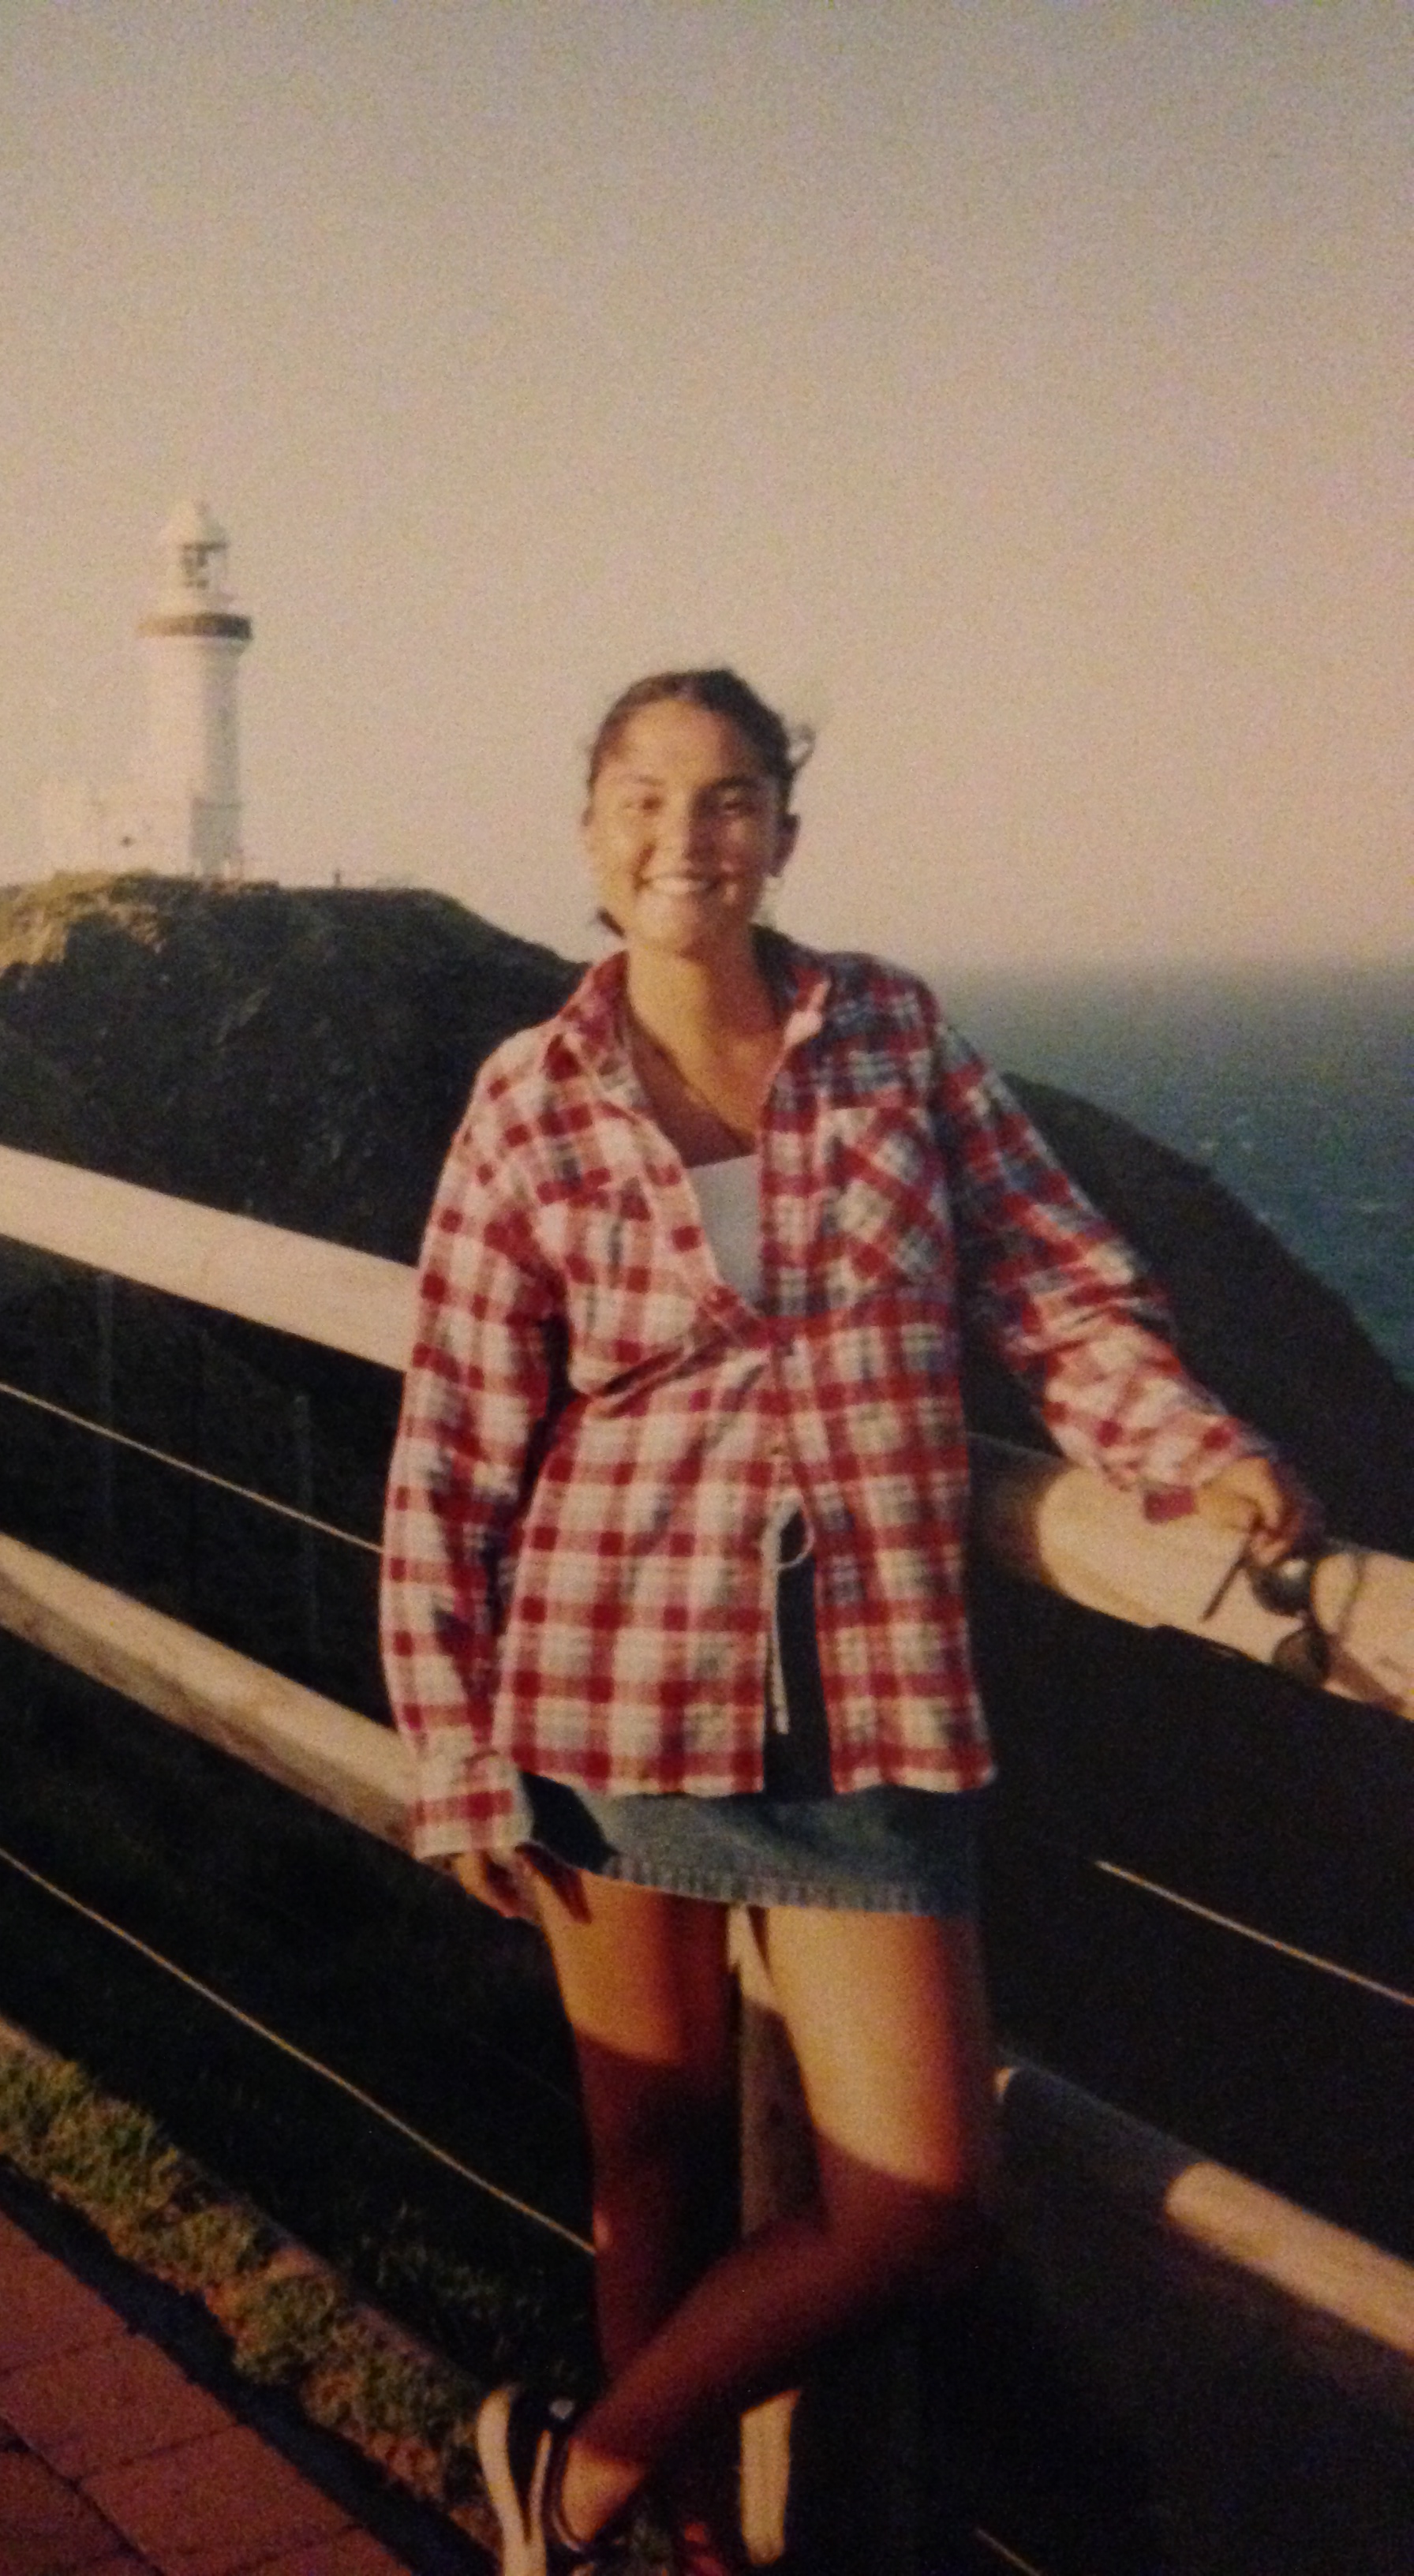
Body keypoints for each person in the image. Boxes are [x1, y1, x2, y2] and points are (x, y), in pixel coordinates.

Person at [379, 670, 1319, 2576]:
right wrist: (456, 1752)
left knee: (924, 2202)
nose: (686, 837)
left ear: (785, 834)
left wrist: (1195, 1451)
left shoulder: (890, 1032)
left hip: (871, 1693)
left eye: (729, 800)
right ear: (589, 834)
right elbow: (456, 1446)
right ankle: (686, 2552)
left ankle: (575, 2474)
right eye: (644, 800)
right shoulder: (528, 1094)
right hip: (606, 1684)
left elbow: (1056, 1290)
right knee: (648, 2169)